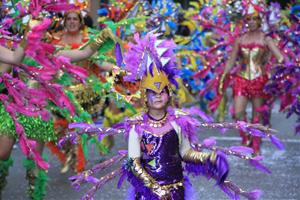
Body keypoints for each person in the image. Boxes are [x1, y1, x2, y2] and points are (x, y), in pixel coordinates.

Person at [218, 12, 284, 155]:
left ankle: (256, 146)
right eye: (249, 19)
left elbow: (280, 58)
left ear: (260, 21)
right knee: (238, 112)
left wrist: (272, 73)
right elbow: (231, 60)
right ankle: (246, 137)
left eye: (255, 18)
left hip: (260, 80)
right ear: (245, 21)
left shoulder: (266, 39)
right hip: (241, 79)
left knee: (257, 115)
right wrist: (224, 75)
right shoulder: (240, 39)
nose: (252, 21)